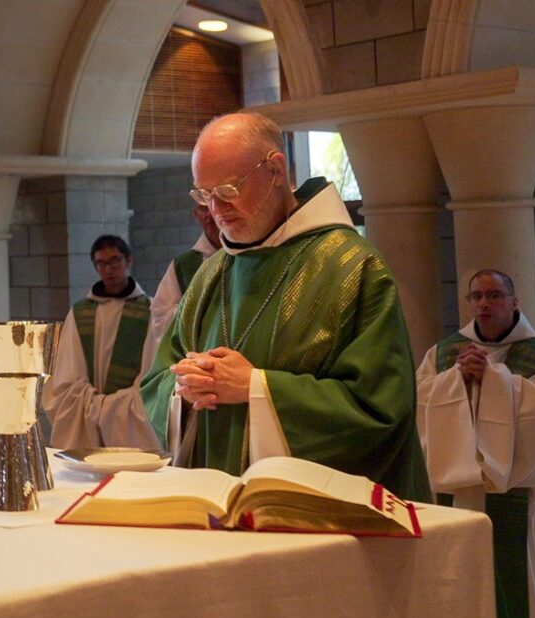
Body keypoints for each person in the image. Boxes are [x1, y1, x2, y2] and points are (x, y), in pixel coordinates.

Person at [139, 112, 431, 502]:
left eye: (227, 189)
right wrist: (184, 387)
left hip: (312, 520)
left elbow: (380, 410)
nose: (215, 209)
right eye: (203, 194)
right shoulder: (211, 275)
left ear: (275, 169)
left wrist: (256, 388)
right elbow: (158, 379)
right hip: (211, 510)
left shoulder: (350, 267)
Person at [416, 269, 535, 618]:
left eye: (494, 296)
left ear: (514, 302)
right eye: (476, 297)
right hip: (461, 494)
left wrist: (493, 380)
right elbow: (419, 406)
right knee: (463, 590)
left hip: (520, 500)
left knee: (521, 598)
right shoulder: (444, 354)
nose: (484, 304)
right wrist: (456, 379)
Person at [43, 235, 158, 449]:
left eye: (115, 261)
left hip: (130, 418)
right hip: (88, 415)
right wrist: (96, 406)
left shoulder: (150, 311)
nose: (109, 269)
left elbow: (152, 375)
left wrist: (116, 407)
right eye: (101, 263)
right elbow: (67, 377)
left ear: (128, 261)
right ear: (95, 267)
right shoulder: (80, 313)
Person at [141, 203, 221, 374]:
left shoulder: (246, 255)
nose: (208, 215)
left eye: (210, 208)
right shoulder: (183, 266)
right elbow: (160, 317)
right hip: (196, 364)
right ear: (196, 215)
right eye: (202, 209)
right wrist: (199, 309)